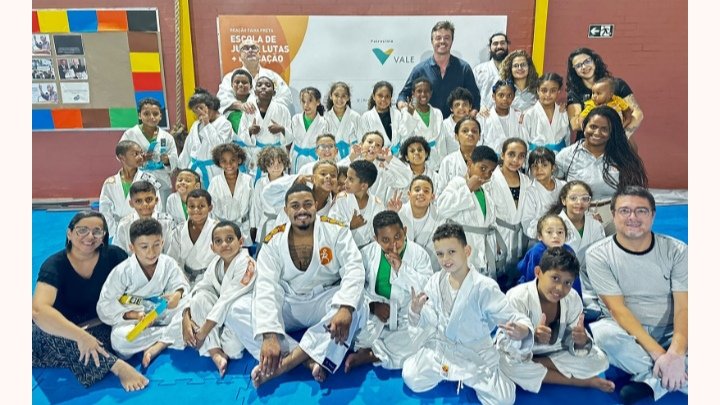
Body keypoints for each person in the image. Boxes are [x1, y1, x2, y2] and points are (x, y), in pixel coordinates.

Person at [224, 183, 368, 387]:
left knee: (358, 303)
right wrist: (269, 334)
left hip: (323, 299)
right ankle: (309, 359)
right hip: (288, 302)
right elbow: (266, 285)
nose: (302, 210)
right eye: (295, 205)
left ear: (316, 205)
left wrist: (345, 307)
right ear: (286, 210)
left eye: (307, 204)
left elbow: (354, 268)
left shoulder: (336, 230)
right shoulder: (273, 240)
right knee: (236, 310)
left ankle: (286, 362)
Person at [402, 223, 534, 404]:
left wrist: (523, 330)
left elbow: (513, 317)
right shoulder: (435, 281)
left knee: (504, 400)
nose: (445, 259)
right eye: (440, 254)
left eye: (451, 252)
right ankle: (449, 372)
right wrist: (416, 311)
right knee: (411, 376)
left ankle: (472, 376)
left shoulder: (484, 287)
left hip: (475, 354)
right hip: (443, 350)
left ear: (467, 251)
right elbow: (431, 318)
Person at [586, 186, 688, 404]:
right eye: (625, 211)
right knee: (604, 335)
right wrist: (662, 356)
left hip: (672, 329)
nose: (632, 217)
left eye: (641, 210)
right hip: (627, 333)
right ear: (613, 214)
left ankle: (651, 381)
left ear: (653, 215)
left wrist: (677, 352)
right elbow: (617, 310)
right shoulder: (597, 255)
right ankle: (672, 375)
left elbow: (684, 306)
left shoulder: (677, 250)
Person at [32, 212, 149, 391]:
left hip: (101, 325)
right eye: (82, 230)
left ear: (104, 236)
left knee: (122, 335)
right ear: (69, 233)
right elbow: (38, 311)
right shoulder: (54, 265)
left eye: (97, 231)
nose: (90, 236)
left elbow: (134, 290)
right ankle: (116, 367)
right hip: (59, 329)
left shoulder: (115, 256)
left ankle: (93, 354)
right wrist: (81, 337)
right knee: (67, 341)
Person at [504, 247, 613, 393]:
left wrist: (581, 342)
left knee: (600, 361)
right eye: (555, 278)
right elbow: (506, 341)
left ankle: (534, 363)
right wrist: (531, 335)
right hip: (519, 353)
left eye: (567, 282)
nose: (560, 288)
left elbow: (572, 341)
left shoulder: (572, 298)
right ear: (538, 272)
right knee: (506, 364)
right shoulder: (517, 297)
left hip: (554, 352)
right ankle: (581, 381)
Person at [345, 211, 433, 371]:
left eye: (397, 237)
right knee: (341, 321)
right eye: (385, 240)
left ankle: (372, 354)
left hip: (405, 318)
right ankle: (371, 349)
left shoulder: (419, 255)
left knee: (426, 333)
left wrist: (402, 268)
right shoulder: (366, 254)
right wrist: (372, 306)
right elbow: (353, 285)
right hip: (374, 316)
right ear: (376, 239)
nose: (393, 244)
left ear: (405, 231)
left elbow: (427, 290)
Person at [96, 218, 189, 367]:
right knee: (120, 340)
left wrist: (177, 295)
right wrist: (133, 314)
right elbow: (104, 306)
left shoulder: (168, 263)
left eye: (156, 245)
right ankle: (172, 334)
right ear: (132, 247)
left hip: (162, 312)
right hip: (135, 320)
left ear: (162, 242)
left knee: (194, 303)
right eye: (144, 247)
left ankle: (160, 343)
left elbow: (181, 284)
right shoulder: (122, 271)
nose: (151, 252)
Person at [179, 221, 256, 376]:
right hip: (221, 316)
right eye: (218, 241)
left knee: (232, 349)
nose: (224, 244)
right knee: (199, 298)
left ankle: (214, 344)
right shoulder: (215, 263)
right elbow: (201, 287)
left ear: (241, 241)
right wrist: (186, 316)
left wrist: (203, 332)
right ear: (212, 247)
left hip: (241, 316)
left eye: (229, 239)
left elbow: (226, 299)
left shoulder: (247, 264)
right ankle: (215, 352)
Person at [555, 106, 648, 233]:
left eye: (604, 129)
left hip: (614, 215)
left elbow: (634, 192)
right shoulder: (566, 155)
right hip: (578, 215)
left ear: (612, 133)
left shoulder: (622, 156)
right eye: (593, 127)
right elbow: (555, 188)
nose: (597, 133)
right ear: (584, 126)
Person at [545, 180, 606, 320]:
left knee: (598, 311)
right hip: (560, 279)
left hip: (589, 280)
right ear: (563, 200)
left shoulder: (595, 226)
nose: (579, 203)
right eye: (573, 198)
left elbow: (601, 258)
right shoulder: (553, 225)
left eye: (585, 198)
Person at [435, 145, 500, 276]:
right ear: (470, 164)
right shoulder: (458, 183)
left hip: (484, 248)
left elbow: (490, 221)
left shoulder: (485, 191)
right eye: (482, 168)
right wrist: (468, 188)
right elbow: (441, 208)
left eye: (491, 171)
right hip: (463, 245)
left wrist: (496, 242)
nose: (486, 174)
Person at [397, 21, 480, 118]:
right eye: (438, 38)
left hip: (456, 124)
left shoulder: (464, 68)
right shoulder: (419, 70)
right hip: (426, 124)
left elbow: (475, 98)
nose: (442, 41)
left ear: (452, 41)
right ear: (432, 41)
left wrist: (471, 116)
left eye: (447, 38)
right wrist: (403, 106)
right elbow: (403, 95)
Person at [566, 48, 643, 140]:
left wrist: (622, 137)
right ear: (574, 70)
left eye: (587, 61)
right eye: (578, 65)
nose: (584, 67)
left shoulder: (617, 84)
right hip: (588, 141)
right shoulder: (575, 93)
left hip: (619, 138)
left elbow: (637, 113)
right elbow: (575, 125)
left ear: (594, 61)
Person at [485, 137, 530, 283]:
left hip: (519, 236)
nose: (516, 160)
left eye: (521, 156)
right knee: (497, 276)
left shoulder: (526, 181)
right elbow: (487, 213)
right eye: (511, 154)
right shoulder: (490, 180)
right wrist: (495, 240)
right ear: (502, 155)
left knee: (515, 276)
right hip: (498, 235)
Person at [120, 98, 178, 204]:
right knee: (141, 207)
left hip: (161, 181)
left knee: (162, 209)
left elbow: (174, 159)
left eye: (155, 114)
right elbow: (121, 155)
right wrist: (138, 159)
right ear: (139, 115)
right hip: (138, 178)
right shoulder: (130, 134)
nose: (151, 117)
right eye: (146, 114)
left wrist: (167, 160)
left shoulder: (167, 137)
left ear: (160, 116)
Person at [99, 140, 161, 239]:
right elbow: (104, 210)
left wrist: (149, 226)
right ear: (121, 157)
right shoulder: (110, 183)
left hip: (144, 229)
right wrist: (114, 231)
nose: (140, 157)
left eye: (141, 153)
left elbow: (157, 205)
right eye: (135, 154)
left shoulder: (150, 179)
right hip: (118, 231)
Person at [217, 37, 293, 115]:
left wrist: (267, 106)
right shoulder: (230, 77)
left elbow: (286, 97)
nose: (250, 50)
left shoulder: (272, 76)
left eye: (254, 48)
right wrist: (241, 106)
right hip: (241, 119)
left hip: (269, 118)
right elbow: (222, 99)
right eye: (245, 48)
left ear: (259, 54)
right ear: (240, 56)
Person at [236, 76, 292, 179]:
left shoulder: (283, 110)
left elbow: (290, 137)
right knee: (258, 183)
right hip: (257, 154)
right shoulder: (249, 110)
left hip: (277, 154)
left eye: (268, 85)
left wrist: (281, 129)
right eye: (259, 85)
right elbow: (241, 135)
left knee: (277, 180)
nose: (263, 87)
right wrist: (250, 131)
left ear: (274, 93)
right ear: (255, 92)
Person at [178, 88, 233, 188]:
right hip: (194, 171)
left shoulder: (225, 124)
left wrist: (207, 124)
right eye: (195, 110)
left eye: (200, 108)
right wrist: (183, 170)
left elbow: (219, 148)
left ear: (211, 105)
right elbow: (187, 150)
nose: (198, 113)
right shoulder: (196, 125)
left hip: (214, 171)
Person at [388, 175, 442, 272]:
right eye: (417, 190)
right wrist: (391, 215)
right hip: (398, 267)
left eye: (426, 191)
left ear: (432, 197)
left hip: (428, 269)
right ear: (409, 194)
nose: (421, 193)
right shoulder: (398, 212)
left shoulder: (440, 218)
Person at [516, 214, 580, 294]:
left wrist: (576, 296)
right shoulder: (537, 251)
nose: (555, 236)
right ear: (540, 236)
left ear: (566, 235)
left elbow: (575, 278)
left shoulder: (569, 251)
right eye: (549, 232)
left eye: (560, 232)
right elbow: (530, 277)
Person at [345, 131, 413, 205]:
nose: (373, 145)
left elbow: (405, 180)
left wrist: (389, 158)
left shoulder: (383, 168)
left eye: (378, 145)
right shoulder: (350, 163)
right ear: (361, 144)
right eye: (370, 142)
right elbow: (337, 175)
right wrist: (351, 157)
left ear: (381, 150)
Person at [167, 189, 218, 286]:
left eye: (201, 206)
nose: (196, 210)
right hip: (184, 276)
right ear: (186, 208)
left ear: (210, 208)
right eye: (192, 206)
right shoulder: (179, 230)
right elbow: (172, 258)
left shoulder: (217, 229)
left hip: (210, 278)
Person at [207, 143, 254, 248]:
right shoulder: (215, 182)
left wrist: (253, 227)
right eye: (224, 161)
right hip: (221, 229)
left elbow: (253, 206)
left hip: (243, 228)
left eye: (232, 160)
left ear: (239, 160)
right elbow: (210, 208)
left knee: (243, 254)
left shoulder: (248, 180)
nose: (229, 164)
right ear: (219, 163)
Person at [329, 159, 383, 249]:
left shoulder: (378, 205)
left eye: (350, 179)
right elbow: (330, 228)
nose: (345, 182)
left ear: (363, 186)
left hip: (369, 250)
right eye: (347, 177)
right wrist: (350, 225)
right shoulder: (341, 200)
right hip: (343, 249)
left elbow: (379, 233)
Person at [113, 180, 175, 255]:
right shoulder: (124, 225)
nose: (145, 204)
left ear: (156, 200)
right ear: (131, 203)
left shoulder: (167, 222)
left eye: (149, 199)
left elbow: (172, 252)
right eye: (138, 201)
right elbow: (119, 254)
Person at [400, 77, 448, 171]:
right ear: (413, 93)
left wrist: (443, 162)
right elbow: (404, 135)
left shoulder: (437, 113)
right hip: (415, 161)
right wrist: (410, 114)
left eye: (426, 91)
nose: (423, 94)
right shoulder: (406, 112)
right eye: (419, 91)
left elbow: (441, 140)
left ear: (431, 93)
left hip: (435, 161)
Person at [519, 147, 566, 238]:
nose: (539, 170)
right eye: (534, 166)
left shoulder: (563, 186)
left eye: (544, 165)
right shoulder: (530, 193)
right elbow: (527, 223)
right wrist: (544, 233)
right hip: (540, 238)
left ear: (553, 167)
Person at [520, 73, 571, 153]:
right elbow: (523, 142)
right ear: (538, 90)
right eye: (544, 90)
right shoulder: (530, 114)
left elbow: (567, 140)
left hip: (560, 157)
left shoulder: (563, 113)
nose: (548, 95)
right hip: (536, 157)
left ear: (558, 91)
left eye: (553, 91)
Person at [250, 146, 290, 244]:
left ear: (285, 163)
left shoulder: (290, 181)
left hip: (286, 223)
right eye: (271, 164)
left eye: (279, 163)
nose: (276, 167)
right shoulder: (260, 183)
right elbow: (256, 207)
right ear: (265, 165)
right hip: (266, 224)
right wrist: (254, 227)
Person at [436, 117, 482, 194]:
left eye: (474, 131)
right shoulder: (448, 162)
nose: (470, 134)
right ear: (456, 136)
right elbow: (441, 193)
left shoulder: (486, 160)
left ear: (479, 136)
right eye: (465, 131)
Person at [359, 81, 406, 156]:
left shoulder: (398, 115)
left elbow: (404, 136)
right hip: (374, 158)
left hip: (396, 158)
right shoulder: (366, 117)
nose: (383, 99)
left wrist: (395, 150)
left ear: (391, 98)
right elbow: (363, 141)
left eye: (387, 96)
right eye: (380, 96)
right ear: (374, 96)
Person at [288, 87, 328, 173]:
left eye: (310, 101)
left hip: (313, 160)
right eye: (303, 101)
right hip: (296, 159)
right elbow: (290, 141)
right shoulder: (296, 119)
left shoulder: (324, 123)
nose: (306, 105)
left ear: (318, 102)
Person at [479, 79, 524, 154]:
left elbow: (524, 141)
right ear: (494, 96)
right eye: (501, 95)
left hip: (515, 158)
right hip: (490, 159)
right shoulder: (484, 117)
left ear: (513, 97)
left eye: (509, 95)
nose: (505, 99)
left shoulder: (519, 117)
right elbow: (479, 143)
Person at [473, 33, 510, 112]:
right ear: (489, 48)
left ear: (507, 46)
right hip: (483, 115)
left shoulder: (514, 70)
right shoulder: (479, 70)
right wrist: (478, 107)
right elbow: (471, 94)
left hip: (508, 115)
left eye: (502, 43)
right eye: (495, 43)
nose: (499, 46)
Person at [324, 82, 362, 159]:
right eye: (336, 95)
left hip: (352, 158)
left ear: (348, 98)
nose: (339, 99)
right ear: (331, 96)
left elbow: (361, 140)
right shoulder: (325, 118)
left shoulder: (355, 117)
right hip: (331, 158)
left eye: (343, 96)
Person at [396, 136, 439, 203]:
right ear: (407, 157)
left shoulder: (436, 178)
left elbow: (438, 201)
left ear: (426, 154)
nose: (416, 153)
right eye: (412, 151)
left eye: (420, 150)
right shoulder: (399, 176)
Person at [440, 86, 473, 153]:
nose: (461, 108)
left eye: (465, 104)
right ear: (451, 108)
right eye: (457, 105)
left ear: (470, 106)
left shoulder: (476, 123)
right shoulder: (443, 126)